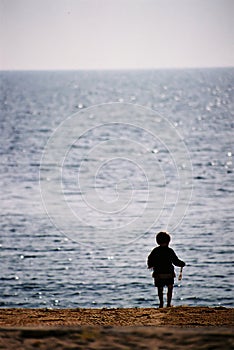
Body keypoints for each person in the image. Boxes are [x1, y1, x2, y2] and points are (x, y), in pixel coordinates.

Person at [147, 231, 185, 308]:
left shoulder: (155, 251)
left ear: (157, 241)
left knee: (160, 289)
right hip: (169, 273)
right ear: (168, 241)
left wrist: (150, 265)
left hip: (158, 273)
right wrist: (182, 264)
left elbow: (150, 259)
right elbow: (175, 261)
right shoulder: (170, 251)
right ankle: (168, 304)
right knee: (170, 288)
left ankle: (161, 303)